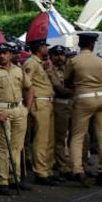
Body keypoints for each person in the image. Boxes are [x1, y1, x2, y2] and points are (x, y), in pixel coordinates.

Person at [0, 43, 33, 195]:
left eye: (5, 53)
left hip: (19, 109)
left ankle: (15, 178)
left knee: (16, 147)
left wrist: (27, 108)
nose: (2, 56)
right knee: (2, 147)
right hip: (2, 109)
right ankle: (2, 180)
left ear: (11, 54)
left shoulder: (19, 70)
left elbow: (29, 88)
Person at [65, 33, 102, 187]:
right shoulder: (101, 61)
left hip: (84, 98)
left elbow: (67, 80)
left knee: (78, 136)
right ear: (92, 45)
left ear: (79, 44)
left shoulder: (74, 60)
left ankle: (78, 170)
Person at [23, 39, 59, 185]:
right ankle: (40, 171)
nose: (47, 49)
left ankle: (48, 169)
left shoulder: (39, 63)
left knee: (49, 138)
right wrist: (29, 106)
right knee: (41, 139)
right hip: (40, 102)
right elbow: (26, 85)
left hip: (47, 102)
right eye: (45, 47)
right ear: (39, 48)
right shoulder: (31, 63)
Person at [47, 45, 73, 182]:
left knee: (78, 138)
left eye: (62, 54)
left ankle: (77, 166)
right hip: (60, 105)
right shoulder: (50, 71)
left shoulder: (69, 69)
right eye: (56, 55)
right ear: (51, 57)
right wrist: (79, 89)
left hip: (74, 105)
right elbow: (60, 90)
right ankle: (63, 167)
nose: (59, 57)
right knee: (60, 138)